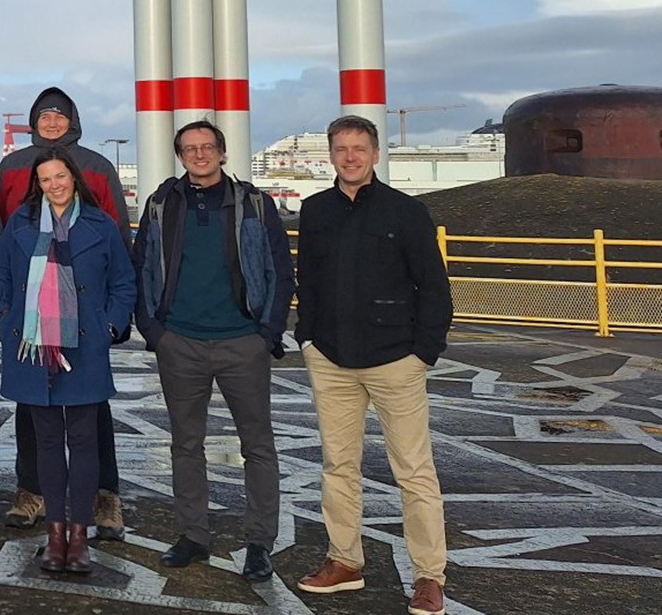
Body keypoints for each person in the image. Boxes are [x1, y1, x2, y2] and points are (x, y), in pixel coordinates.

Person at [294, 115, 452, 615]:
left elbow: (434, 288)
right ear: (330, 155)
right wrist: (308, 338)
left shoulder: (407, 212)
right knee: (339, 467)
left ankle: (429, 576)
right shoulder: (315, 210)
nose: (350, 157)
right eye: (341, 149)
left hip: (396, 361)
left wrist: (423, 352)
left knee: (414, 472)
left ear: (376, 154)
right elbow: (310, 281)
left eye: (359, 148)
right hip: (332, 359)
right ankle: (344, 562)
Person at [132, 120, 292, 582]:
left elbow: (281, 270)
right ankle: (192, 536)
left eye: (207, 148)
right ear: (179, 156)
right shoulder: (162, 204)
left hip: (244, 341)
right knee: (185, 445)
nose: (199, 155)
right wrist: (154, 331)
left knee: (258, 446)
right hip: (179, 341)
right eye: (190, 149)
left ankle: (260, 542)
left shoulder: (255, 204)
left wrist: (267, 333)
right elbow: (142, 264)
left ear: (222, 153)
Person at [0, 88, 132, 537]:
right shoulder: (14, 167)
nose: (51, 123)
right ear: (33, 121)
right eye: (44, 116)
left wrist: (114, 319)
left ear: (73, 120)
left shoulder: (98, 166)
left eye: (59, 116)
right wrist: (7, 314)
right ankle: (31, 492)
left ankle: (103, 498)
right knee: (34, 414)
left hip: (85, 320)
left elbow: (117, 242)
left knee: (92, 416)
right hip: (32, 320)